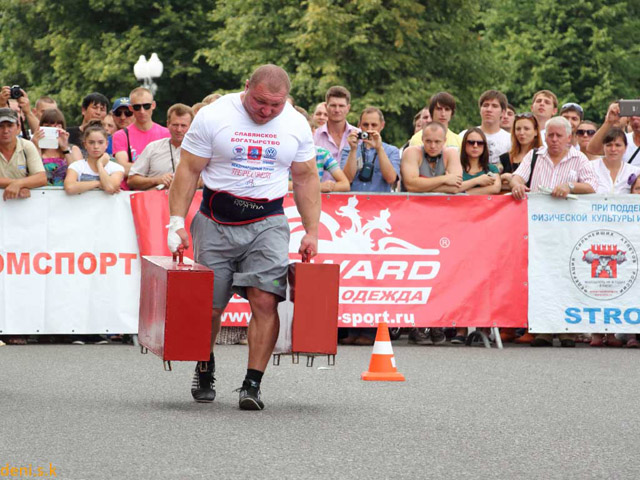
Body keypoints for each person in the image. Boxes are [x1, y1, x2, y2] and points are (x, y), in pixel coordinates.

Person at [168, 64, 320, 410]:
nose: (266, 111)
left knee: (265, 300)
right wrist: (175, 221)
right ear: (247, 86)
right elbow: (188, 170)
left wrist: (312, 230)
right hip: (216, 220)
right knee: (210, 307)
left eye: (275, 105)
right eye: (260, 102)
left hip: (267, 222)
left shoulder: (295, 123)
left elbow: (307, 177)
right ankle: (204, 365)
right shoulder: (214, 115)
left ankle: (252, 384)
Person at [510, 116, 597, 347]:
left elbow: (592, 186)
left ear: (569, 137)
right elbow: (517, 175)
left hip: (568, 229)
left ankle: (566, 330)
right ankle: (542, 329)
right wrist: (517, 184)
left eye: (560, 135)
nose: (555, 140)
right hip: (538, 229)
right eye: (551, 135)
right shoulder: (535, 155)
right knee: (540, 277)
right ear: (545, 136)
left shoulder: (579, 158)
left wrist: (569, 186)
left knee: (566, 276)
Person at [401, 121, 462, 345]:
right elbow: (411, 184)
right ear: (421, 140)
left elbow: (456, 186)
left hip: (443, 221)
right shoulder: (411, 152)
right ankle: (416, 326)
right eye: (428, 141)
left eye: (437, 142)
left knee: (441, 273)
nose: (433, 145)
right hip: (414, 219)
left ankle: (437, 323)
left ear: (445, 141)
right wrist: (444, 179)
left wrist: (427, 183)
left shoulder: (452, 153)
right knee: (415, 273)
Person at [127, 104, 194, 190]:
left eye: (183, 125)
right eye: (175, 125)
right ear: (168, 124)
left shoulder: (200, 151)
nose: (179, 130)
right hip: (155, 201)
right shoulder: (153, 148)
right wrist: (158, 180)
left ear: (191, 126)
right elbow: (132, 180)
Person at [112, 87, 170, 178]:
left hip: (159, 190)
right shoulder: (121, 135)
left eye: (146, 106)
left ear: (153, 105)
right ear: (131, 108)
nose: (142, 111)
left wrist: (137, 170)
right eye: (137, 107)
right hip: (130, 190)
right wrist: (155, 172)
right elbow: (123, 167)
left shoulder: (167, 133)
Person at [341, 107, 401, 193]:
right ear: (359, 125)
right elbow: (347, 180)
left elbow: (391, 179)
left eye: (374, 125)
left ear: (382, 125)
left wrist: (379, 149)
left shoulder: (392, 151)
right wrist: (353, 150)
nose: (369, 129)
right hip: (354, 202)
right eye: (365, 125)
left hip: (380, 203)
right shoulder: (349, 149)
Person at [64, 121, 124, 195]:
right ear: (85, 144)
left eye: (100, 142)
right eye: (91, 142)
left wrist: (100, 164)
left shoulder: (117, 168)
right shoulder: (76, 166)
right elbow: (70, 187)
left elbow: (110, 187)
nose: (96, 146)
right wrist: (98, 184)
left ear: (106, 144)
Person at [0, 108, 46, 201]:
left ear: (18, 127)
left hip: (23, 205)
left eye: (10, 126)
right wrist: (19, 184)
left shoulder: (27, 146)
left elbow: (41, 178)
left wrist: (19, 184)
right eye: (1, 126)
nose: (5, 131)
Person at [30, 108, 83, 186]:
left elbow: (78, 175)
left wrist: (65, 148)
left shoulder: (73, 149)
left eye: (56, 127)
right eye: (47, 126)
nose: (52, 129)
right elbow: (34, 173)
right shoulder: (33, 147)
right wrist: (37, 146)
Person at [460, 90, 511, 166]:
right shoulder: (464, 135)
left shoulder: (510, 139)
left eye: (494, 106)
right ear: (480, 110)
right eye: (485, 105)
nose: (489, 109)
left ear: (503, 112)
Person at [587, 101, 640, 166]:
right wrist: (609, 122)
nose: (634, 117)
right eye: (632, 114)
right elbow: (593, 150)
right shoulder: (622, 140)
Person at [499, 113, 542, 190]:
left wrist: (510, 179)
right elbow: (494, 183)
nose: (521, 133)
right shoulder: (505, 158)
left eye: (526, 129)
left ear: (535, 131)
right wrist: (502, 177)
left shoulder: (543, 156)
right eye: (518, 129)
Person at [313, 86, 357, 161]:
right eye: (333, 105)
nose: (337, 110)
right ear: (326, 107)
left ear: (348, 108)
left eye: (341, 106)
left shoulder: (359, 135)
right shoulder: (314, 136)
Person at [592, 127, 640, 195]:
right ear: (603, 147)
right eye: (609, 145)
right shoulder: (590, 167)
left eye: (618, 145)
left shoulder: (635, 172)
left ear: (626, 147)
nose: (613, 149)